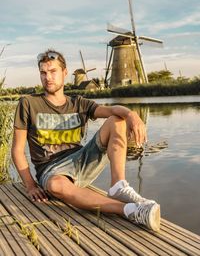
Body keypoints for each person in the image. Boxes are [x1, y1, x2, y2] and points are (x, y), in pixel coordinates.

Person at [12, 49, 160, 232]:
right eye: (43, 73)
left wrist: (131, 114)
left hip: (81, 160)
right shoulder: (28, 103)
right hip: (52, 171)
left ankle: (118, 186)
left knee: (117, 120)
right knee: (55, 185)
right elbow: (18, 150)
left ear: (65, 73)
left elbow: (112, 110)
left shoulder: (79, 103)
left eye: (53, 71)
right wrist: (30, 186)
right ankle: (128, 210)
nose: (47, 77)